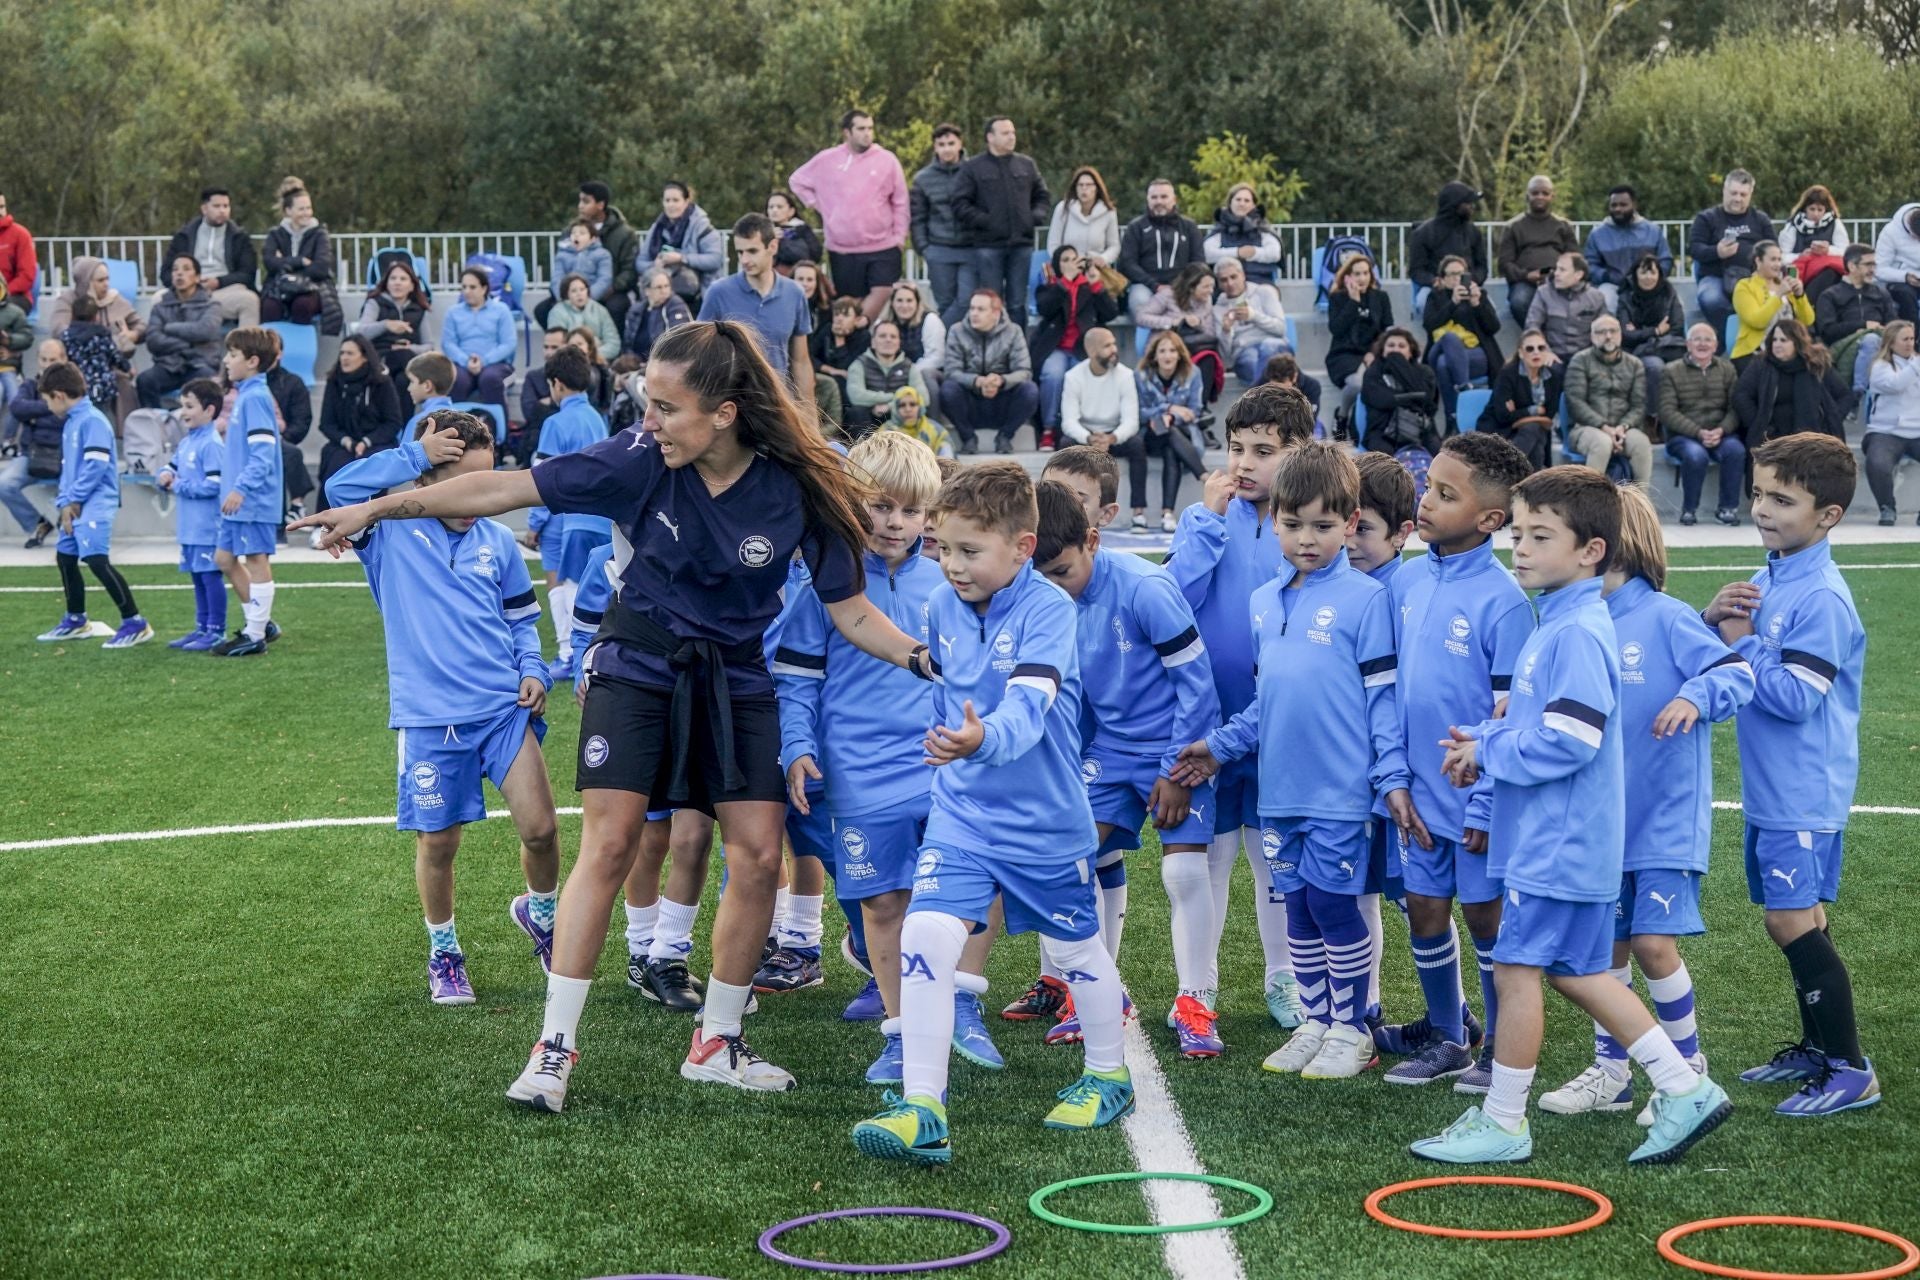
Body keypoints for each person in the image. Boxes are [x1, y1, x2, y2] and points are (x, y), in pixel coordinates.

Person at [295, 320, 936, 1106]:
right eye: (647, 404)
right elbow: (506, 487)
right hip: (637, 663)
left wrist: (924, 659)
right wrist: (384, 508)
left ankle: (718, 1042)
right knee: (608, 845)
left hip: (734, 674)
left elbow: (853, 611)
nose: (649, 422)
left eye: (666, 407)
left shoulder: (801, 485)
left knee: (761, 855)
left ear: (727, 412)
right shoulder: (638, 459)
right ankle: (553, 1050)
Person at [1411, 466, 1733, 1166]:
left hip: (1558, 842)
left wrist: (1490, 748)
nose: (1520, 548)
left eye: (1540, 536)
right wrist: (1492, 735)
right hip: (1568, 840)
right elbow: (1553, 722)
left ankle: (1502, 1121)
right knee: (1576, 973)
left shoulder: (1576, 632)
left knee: (1518, 969)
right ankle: (1684, 1085)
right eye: (1518, 533)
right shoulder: (1562, 622)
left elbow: (1570, 740)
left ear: (1592, 551)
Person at [851, 461, 1133, 1164]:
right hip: (963, 817)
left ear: (1023, 546)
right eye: (943, 548)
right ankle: (924, 1108)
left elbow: (1028, 710)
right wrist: (949, 735)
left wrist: (981, 737)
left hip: (1043, 825)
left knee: (1075, 951)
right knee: (924, 933)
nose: (950, 565)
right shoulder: (943, 608)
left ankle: (1109, 1073)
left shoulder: (1049, 611)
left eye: (968, 550)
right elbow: (952, 693)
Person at [1173, 441, 1415, 1079]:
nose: (1307, 539)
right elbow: (1266, 702)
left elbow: (1383, 701)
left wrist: (1390, 777)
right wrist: (1218, 747)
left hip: (1339, 792)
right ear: (1272, 519)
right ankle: (1314, 1020)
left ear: (1349, 521)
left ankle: (1351, 1028)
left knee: (1336, 907)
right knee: (1300, 909)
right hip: (1279, 792)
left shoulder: (1367, 600)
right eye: (1292, 524)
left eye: (1325, 525)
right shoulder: (1265, 602)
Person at [325, 410, 561, 1005]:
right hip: (430, 720)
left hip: (503, 711)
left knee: (540, 830)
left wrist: (531, 669)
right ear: (426, 479)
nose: (473, 497)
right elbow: (339, 489)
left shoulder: (498, 543)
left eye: (484, 483)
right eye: (456, 480)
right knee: (440, 844)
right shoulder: (388, 532)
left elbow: (521, 622)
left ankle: (544, 917)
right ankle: (445, 951)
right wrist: (414, 454)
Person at [1538, 487, 1753, 1121]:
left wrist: (1694, 695)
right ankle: (1612, 1074)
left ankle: (1685, 1072)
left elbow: (1735, 673)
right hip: (1600, 827)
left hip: (1662, 821)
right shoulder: (1573, 622)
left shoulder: (1664, 616)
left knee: (1655, 945)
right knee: (1604, 953)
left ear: (1604, 543)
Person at [1705, 433, 1878, 1116]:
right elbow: (1740, 651)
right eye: (1758, 494)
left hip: (1805, 787)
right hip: (1774, 784)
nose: (1763, 509)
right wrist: (1715, 617)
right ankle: (1819, 1046)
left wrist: (1739, 643)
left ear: (1828, 515)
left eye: (1783, 498)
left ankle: (1850, 1067)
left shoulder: (1823, 599)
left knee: (1788, 921)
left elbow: (1792, 697)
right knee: (1802, 914)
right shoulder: (1776, 569)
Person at [773, 432, 949, 1082]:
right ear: (852, 503)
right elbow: (796, 679)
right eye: (880, 506)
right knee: (882, 906)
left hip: (941, 772)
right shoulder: (827, 584)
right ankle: (902, 1033)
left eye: (909, 510)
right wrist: (798, 746)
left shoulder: (950, 583)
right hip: (859, 776)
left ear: (928, 514)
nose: (895, 522)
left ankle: (954, 1005)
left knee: (944, 905)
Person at [1032, 480, 1223, 1057]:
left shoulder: (1146, 587)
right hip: (1110, 752)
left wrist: (1175, 768)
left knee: (1184, 874)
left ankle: (1196, 1000)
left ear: (1092, 540)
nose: (1053, 587)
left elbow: (1197, 687)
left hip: (1179, 746)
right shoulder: (1047, 599)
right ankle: (1095, 994)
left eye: (1063, 571)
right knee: (1066, 861)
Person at [1368, 433, 1531, 1087]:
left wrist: (1488, 800)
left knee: (1485, 918)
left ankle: (1498, 1048)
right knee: (1426, 909)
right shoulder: (1404, 581)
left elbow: (1509, 718)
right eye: (1426, 486)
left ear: (1491, 519)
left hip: (1474, 798)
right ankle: (1447, 1037)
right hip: (1415, 793)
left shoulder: (1505, 602)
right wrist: (1393, 779)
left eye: (1444, 493)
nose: (1424, 501)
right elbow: (1384, 694)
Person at [1164, 385, 1317, 1032]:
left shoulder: (1303, 528)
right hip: (1206, 723)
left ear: (1299, 453)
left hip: (1279, 725)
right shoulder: (1209, 518)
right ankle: (1196, 988)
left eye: (1264, 450)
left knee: (1273, 858)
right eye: (1236, 448)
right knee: (1206, 859)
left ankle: (1284, 979)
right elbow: (1170, 600)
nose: (1245, 462)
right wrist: (1201, 523)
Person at [32, 361, 150, 648]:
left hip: (95, 502)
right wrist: (64, 503)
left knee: (96, 560)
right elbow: (69, 470)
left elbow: (95, 467)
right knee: (65, 557)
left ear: (59, 395)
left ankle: (135, 622)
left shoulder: (93, 421)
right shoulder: (73, 421)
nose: (48, 407)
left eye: (47, 400)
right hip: (74, 504)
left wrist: (73, 500)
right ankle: (76, 619)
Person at [530, 345, 614, 679]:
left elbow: (542, 477)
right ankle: (593, 650)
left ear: (557, 384)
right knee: (594, 583)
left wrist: (535, 522)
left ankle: (569, 654)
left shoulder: (555, 422)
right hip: (602, 515)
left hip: (568, 517)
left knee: (563, 582)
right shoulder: (597, 417)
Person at [789, 109, 910, 323]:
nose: (867, 133)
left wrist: (900, 237)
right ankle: (853, 342)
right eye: (861, 128)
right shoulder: (827, 159)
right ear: (847, 132)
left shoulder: (887, 160)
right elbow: (797, 180)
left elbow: (900, 201)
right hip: (842, 246)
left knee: (883, 290)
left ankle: (859, 326)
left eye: (870, 128)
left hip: (883, 244)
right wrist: (820, 206)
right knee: (848, 300)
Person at [211, 328, 285, 658]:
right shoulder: (246, 394)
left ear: (252, 361)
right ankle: (260, 620)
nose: (226, 361)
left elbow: (263, 453)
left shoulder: (255, 398)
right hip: (238, 499)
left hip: (253, 499)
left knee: (256, 559)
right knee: (224, 559)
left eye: (233, 355)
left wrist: (241, 488)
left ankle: (255, 634)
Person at [698, 214, 814, 398]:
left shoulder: (795, 293)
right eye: (740, 252)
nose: (744, 260)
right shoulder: (718, 292)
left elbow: (801, 361)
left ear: (772, 247)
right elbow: (701, 354)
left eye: (752, 251)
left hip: (778, 403)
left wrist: (809, 417)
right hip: (732, 403)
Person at [951, 116, 1050, 330]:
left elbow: (1042, 195)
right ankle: (992, 350)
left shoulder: (1026, 164)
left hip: (1021, 246)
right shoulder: (973, 168)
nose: (1012, 137)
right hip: (988, 246)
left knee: (1017, 304)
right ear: (990, 137)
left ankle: (1018, 353)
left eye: (1013, 132)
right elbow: (959, 203)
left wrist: (1032, 218)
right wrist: (986, 221)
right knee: (990, 303)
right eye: (1005, 133)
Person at [153, 379, 228, 648]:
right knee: (197, 576)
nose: (183, 412)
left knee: (209, 575)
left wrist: (179, 485)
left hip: (206, 526)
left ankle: (217, 630)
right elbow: (172, 468)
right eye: (182, 405)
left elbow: (215, 485)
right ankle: (201, 627)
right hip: (189, 526)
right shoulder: (187, 443)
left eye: (189, 406)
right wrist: (164, 473)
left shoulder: (211, 444)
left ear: (209, 410)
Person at [1657, 323, 1745, 527]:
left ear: (1715, 346)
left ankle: (1727, 509)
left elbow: (1736, 407)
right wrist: (1698, 433)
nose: (1702, 343)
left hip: (1721, 433)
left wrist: (1722, 430)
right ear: (1688, 344)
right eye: (1697, 339)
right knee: (1696, 455)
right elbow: (1667, 412)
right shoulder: (1671, 371)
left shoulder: (1727, 369)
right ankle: (1689, 510)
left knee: (1736, 450)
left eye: (1708, 339)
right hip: (1684, 436)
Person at [1031, 245, 1119, 445]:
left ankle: (1084, 429)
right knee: (1053, 375)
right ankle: (1048, 429)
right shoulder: (1051, 285)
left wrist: (1097, 286)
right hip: (1057, 348)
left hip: (1083, 349)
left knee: (1088, 375)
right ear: (1058, 265)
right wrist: (1064, 284)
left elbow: (1110, 313)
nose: (1071, 264)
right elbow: (1044, 308)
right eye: (1065, 260)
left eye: (1074, 259)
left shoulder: (1089, 285)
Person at [937, 289, 1038, 454]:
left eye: (981, 309)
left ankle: (1005, 436)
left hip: (1002, 399)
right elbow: (951, 371)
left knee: (1030, 390)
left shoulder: (1013, 331)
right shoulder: (957, 330)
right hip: (970, 400)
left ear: (996, 312)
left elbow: (1024, 371)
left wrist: (1002, 380)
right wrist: (976, 381)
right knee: (948, 389)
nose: (974, 313)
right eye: (972, 308)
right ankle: (968, 438)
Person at [316, 334, 405, 519]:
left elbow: (393, 422)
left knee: (374, 463)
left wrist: (367, 440)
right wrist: (346, 441)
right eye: (341, 353)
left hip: (376, 441)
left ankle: (370, 519)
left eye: (350, 353)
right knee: (335, 463)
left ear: (364, 356)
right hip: (345, 442)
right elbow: (326, 423)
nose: (344, 358)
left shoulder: (381, 382)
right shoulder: (334, 382)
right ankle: (327, 520)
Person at [1127, 329, 1206, 531]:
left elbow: (1195, 411)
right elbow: (1138, 411)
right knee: (1167, 434)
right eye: (1162, 351)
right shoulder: (1141, 375)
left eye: (1172, 350)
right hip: (1150, 433)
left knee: (1171, 443)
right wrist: (1167, 409)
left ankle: (1167, 513)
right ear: (1154, 355)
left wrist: (1172, 416)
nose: (1167, 355)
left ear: (1179, 354)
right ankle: (1202, 475)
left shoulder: (1193, 373)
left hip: (1182, 433)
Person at [1734, 319, 1852, 445]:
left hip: (1813, 440)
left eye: (1783, 340)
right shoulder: (1761, 364)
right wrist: (1758, 424)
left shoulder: (1816, 364)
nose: (1777, 344)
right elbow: (1741, 395)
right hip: (1772, 439)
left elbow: (1845, 396)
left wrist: (1830, 421)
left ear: (1797, 342)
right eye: (1774, 340)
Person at [1566, 315, 1652, 487]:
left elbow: (1638, 406)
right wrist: (1605, 427)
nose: (1608, 336)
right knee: (1602, 443)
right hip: (1586, 428)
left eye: (1613, 331)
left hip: (1624, 429)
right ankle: (1590, 506)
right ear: (1592, 337)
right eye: (1601, 332)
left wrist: (1623, 427)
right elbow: (1576, 403)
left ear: (1620, 334)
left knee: (1642, 443)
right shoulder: (1580, 361)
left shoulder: (1635, 364)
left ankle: (1640, 507)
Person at [1689, 168, 1776, 335]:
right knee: (1710, 299)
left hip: (1754, 277)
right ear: (1724, 191)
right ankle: (1732, 333)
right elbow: (1695, 249)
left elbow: (1774, 250)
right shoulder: (1706, 218)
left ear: (1750, 194)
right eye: (1733, 193)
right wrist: (1717, 252)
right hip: (1715, 276)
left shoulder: (1760, 219)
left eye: (1743, 195)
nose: (1737, 199)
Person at [1422, 254, 1503, 427]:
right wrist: (1452, 303)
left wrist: (1477, 303)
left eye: (1461, 274)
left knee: (1444, 364)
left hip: (1476, 354)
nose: (1457, 278)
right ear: (1442, 279)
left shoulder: (1480, 295)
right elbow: (1429, 325)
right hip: (1440, 349)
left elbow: (1493, 327)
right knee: (1449, 339)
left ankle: (1453, 418)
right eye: (1452, 274)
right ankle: (1464, 388)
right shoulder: (1435, 297)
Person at [136, 255, 222, 409]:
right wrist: (188, 343)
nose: (179, 273)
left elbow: (204, 331)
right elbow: (153, 340)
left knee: (207, 382)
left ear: (197, 278)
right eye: (175, 269)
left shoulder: (211, 305)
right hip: (169, 365)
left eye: (186, 269)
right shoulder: (160, 307)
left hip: (200, 363)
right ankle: (154, 424)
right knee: (145, 380)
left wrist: (169, 328)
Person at [3, 338, 66, 547]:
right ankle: (36, 524)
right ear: (38, 360)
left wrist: (35, 413)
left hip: (65, 455)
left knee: (81, 482)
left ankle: (71, 529)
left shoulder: (71, 387)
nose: (48, 364)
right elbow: (17, 408)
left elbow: (69, 416)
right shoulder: (30, 385)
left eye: (53, 359)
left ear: (64, 359)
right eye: (44, 359)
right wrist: (50, 407)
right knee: (4, 485)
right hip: (32, 453)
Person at [169, 187, 260, 328]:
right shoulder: (184, 236)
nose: (222, 211)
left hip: (225, 291)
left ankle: (245, 349)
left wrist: (218, 282)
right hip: (188, 292)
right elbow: (166, 272)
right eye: (217, 206)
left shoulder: (239, 237)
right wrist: (190, 283)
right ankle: (170, 348)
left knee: (250, 300)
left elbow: (247, 274)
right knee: (158, 299)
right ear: (204, 209)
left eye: (226, 206)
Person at [908, 125, 972, 323]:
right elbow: (917, 217)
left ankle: (939, 336)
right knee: (944, 303)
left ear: (960, 144)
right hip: (939, 248)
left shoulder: (975, 172)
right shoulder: (923, 179)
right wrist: (924, 249)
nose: (947, 149)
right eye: (941, 145)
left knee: (967, 302)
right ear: (935, 147)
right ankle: (948, 350)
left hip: (971, 247)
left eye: (951, 143)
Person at [1118, 180, 1205, 326]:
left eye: (1164, 197)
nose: (1159, 201)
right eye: (1154, 197)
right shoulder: (1136, 227)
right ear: (1148, 200)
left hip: (1181, 285)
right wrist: (1155, 285)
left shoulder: (1189, 227)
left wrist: (1181, 285)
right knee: (1140, 302)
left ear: (1174, 199)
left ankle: (1179, 345)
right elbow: (1128, 263)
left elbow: (1198, 261)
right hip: (1145, 285)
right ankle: (1147, 347)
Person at [1497, 175, 1578, 326]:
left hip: (1558, 279)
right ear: (1527, 195)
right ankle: (1535, 336)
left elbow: (1575, 259)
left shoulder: (1563, 225)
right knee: (1519, 301)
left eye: (1545, 193)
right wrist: (1527, 275)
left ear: (1552, 196)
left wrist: (1558, 274)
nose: (1540, 197)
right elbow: (1504, 264)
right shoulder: (1513, 226)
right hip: (1524, 281)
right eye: (1535, 193)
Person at [1813, 245, 1895, 393]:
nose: (1872, 269)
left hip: (1880, 346)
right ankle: (1860, 391)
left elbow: (1893, 325)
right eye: (1868, 264)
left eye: (1874, 264)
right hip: (1842, 346)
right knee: (1870, 340)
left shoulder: (1881, 293)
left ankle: (1858, 392)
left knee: (1874, 340)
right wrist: (1863, 326)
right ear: (1851, 266)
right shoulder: (1830, 295)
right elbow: (1828, 331)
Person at [1327, 253, 1394, 429]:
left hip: (1374, 352)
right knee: (1357, 384)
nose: (1362, 278)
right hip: (1344, 353)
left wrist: (1374, 352)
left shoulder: (1381, 297)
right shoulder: (1338, 298)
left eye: (1366, 273)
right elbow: (1336, 329)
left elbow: (1387, 329)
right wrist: (1353, 302)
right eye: (1357, 274)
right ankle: (1342, 416)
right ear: (1348, 276)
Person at [1138, 263, 1224, 400]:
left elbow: (1209, 332)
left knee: (1209, 358)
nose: (1210, 291)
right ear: (1191, 287)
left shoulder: (1206, 301)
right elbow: (1142, 317)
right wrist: (1174, 322)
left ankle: (1201, 405)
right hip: (1166, 344)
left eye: (1212, 286)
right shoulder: (1167, 295)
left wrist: (1198, 323)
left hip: (1192, 347)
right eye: (1206, 287)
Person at [1861, 321, 1918, 524]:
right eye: (1905, 339)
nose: (1910, 343)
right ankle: (1887, 507)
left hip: (1917, 430)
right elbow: (1895, 385)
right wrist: (1916, 365)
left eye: (1912, 339)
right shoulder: (1880, 366)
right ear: (1891, 343)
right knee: (1877, 462)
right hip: (1886, 431)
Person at [260, 178, 335, 329]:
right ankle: (270, 349)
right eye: (301, 209)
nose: (306, 213)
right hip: (279, 286)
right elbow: (269, 262)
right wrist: (299, 261)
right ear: (288, 211)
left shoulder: (320, 234)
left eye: (308, 208)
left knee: (302, 305)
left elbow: (321, 268)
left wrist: (285, 263)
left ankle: (301, 349)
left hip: (312, 287)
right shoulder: (276, 234)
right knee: (270, 306)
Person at [1619, 252, 1686, 419]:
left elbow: (1676, 326)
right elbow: (1626, 334)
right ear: (1635, 274)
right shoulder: (1626, 297)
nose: (1648, 277)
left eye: (1652, 272)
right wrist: (1655, 331)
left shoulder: (1669, 293)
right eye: (1643, 272)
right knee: (1655, 367)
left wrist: (1640, 332)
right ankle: (1653, 418)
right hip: (1636, 351)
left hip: (1667, 346)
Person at [1583, 185, 1671, 312]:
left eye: (1623, 205)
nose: (1618, 209)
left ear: (1634, 205)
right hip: (1612, 285)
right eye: (1614, 205)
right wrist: (1607, 276)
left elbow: (1666, 260)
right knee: (1605, 300)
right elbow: (1590, 265)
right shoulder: (1597, 234)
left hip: (1649, 284)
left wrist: (1650, 277)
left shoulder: (1653, 231)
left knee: (1673, 303)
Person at [1484, 329, 1561, 472]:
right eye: (1530, 348)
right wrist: (1534, 411)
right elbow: (1503, 415)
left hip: (1531, 434)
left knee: (1535, 430)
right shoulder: (1507, 374)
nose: (1536, 352)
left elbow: (1548, 416)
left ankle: (1510, 472)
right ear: (1521, 353)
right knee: (1534, 429)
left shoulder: (1553, 377)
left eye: (1541, 348)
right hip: (1501, 430)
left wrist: (1518, 413)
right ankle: (1521, 475)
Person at [440, 266, 515, 410]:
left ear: (484, 288)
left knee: (490, 379)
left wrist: (484, 360)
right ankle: (454, 429)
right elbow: (448, 343)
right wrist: (466, 361)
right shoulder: (453, 312)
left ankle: (498, 429)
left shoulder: (501, 310)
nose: (467, 291)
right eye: (464, 287)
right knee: (457, 380)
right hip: (462, 364)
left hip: (495, 364)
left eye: (472, 287)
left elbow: (509, 343)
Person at [639, 181, 725, 305]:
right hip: (660, 287)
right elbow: (640, 262)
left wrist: (682, 258)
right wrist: (655, 265)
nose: (671, 205)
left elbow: (715, 259)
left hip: (697, 291)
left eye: (675, 200)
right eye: (667, 200)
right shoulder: (656, 228)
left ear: (686, 201)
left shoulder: (702, 226)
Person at [1730, 241, 1813, 364]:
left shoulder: (1785, 286)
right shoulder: (1744, 286)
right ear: (1758, 261)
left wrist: (1800, 295)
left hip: (1789, 351)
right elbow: (1757, 321)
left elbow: (1808, 320)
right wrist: (1778, 295)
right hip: (1755, 353)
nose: (1778, 264)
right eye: (1773, 260)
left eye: (1779, 260)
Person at [1360, 328, 1440, 455]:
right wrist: (1413, 398)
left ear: (1410, 352)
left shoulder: (1425, 372)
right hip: (1383, 431)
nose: (1396, 350)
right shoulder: (1373, 373)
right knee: (1384, 462)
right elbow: (1382, 400)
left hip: (1421, 429)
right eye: (1391, 346)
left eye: (1401, 346)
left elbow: (1428, 400)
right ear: (1383, 351)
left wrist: (1399, 365)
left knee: (1438, 456)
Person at [1213, 257, 1291, 386]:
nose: (1230, 283)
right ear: (1219, 284)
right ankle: (1272, 397)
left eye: (1233, 277)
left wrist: (1254, 316)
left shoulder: (1264, 293)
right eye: (1224, 280)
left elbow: (1281, 329)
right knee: (1251, 361)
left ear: (1243, 275)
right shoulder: (1218, 309)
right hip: (1244, 350)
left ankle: (1265, 398)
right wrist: (1226, 331)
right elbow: (1226, 358)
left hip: (1272, 342)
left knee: (1269, 348)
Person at [1409, 182, 1486, 309]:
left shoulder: (1473, 232)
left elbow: (1482, 266)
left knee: (1490, 308)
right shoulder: (1422, 233)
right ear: (1454, 206)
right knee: (1423, 302)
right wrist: (1435, 281)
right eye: (1468, 203)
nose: (1472, 207)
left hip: (1468, 288)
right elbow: (1416, 270)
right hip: (1434, 289)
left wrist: (1473, 280)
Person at [845, 317, 929, 435]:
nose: (888, 340)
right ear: (873, 342)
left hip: (898, 418)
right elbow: (856, 396)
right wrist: (895, 397)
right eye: (882, 336)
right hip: (869, 419)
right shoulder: (859, 364)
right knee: (856, 412)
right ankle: (864, 451)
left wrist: (890, 406)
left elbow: (924, 398)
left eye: (893, 336)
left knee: (912, 409)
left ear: (899, 342)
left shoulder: (909, 366)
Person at [356, 259, 431, 387]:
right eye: (393, 278)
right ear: (387, 284)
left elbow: (429, 346)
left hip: (408, 360)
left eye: (403, 279)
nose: (397, 283)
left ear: (412, 286)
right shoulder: (375, 303)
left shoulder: (419, 310)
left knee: (403, 379)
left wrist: (409, 348)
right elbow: (360, 333)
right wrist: (386, 325)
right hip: (381, 358)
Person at [1525, 251, 1607, 362]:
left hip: (1586, 358)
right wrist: (1545, 351)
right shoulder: (1543, 293)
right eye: (1557, 269)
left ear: (1578, 275)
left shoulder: (1596, 297)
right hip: (1552, 355)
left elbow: (1604, 331)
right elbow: (1532, 326)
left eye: (1562, 270)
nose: (1556, 274)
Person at [58, 296, 130, 421]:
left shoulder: (66, 336)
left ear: (73, 315)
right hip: (102, 386)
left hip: (76, 386)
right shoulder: (102, 334)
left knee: (77, 417)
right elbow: (115, 356)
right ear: (96, 316)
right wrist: (126, 367)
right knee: (103, 416)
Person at [1047, 166, 1122, 280]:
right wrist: (1064, 262)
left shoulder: (1109, 212)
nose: (1084, 188)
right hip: (1067, 272)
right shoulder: (1063, 209)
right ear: (1075, 188)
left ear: (1096, 188)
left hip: (1096, 270)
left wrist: (1104, 258)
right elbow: (1053, 244)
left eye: (1088, 185)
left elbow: (1114, 246)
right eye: (1080, 185)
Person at [1778, 185, 1851, 301]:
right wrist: (1801, 255)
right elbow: (1781, 256)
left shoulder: (1835, 224)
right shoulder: (1792, 226)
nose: (1816, 214)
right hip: (1797, 267)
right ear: (1805, 208)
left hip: (1825, 267)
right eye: (1812, 209)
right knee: (1791, 279)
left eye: (1820, 210)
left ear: (1825, 210)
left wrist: (1828, 251)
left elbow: (1845, 251)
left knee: (1830, 274)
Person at [1204, 183, 1282, 287]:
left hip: (1260, 282)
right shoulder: (1220, 228)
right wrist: (1237, 253)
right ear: (1230, 203)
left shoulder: (1262, 227)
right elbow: (1207, 254)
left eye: (1246, 200)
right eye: (1238, 200)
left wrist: (1253, 252)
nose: (1242, 204)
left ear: (1253, 205)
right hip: (1226, 286)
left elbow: (1275, 253)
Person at [543, 219, 613, 329]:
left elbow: (604, 279)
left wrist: (587, 296)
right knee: (541, 310)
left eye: (582, 233)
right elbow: (556, 278)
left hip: (592, 297)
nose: (576, 236)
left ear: (592, 239)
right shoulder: (562, 255)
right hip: (567, 297)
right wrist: (563, 297)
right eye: (573, 233)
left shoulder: (602, 255)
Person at [882, 281, 947, 398]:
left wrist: (908, 372)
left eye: (909, 300)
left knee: (926, 376)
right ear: (892, 303)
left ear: (917, 302)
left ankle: (933, 416)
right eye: (899, 300)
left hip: (925, 372)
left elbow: (937, 358)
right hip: (892, 373)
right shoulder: (883, 323)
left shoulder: (930, 320)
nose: (904, 306)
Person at [624, 268, 693, 363]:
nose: (664, 291)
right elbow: (628, 343)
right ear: (647, 291)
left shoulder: (676, 305)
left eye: (667, 286)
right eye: (659, 287)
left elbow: (678, 342)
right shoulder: (636, 310)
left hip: (665, 362)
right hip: (638, 362)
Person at [545, 273, 620, 359]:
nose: (579, 294)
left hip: (598, 360)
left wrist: (592, 355)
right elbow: (557, 344)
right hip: (568, 362)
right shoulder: (557, 312)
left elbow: (613, 343)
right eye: (574, 291)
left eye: (582, 289)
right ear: (566, 294)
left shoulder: (600, 310)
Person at [1873, 202, 1920, 324]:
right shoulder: (1890, 233)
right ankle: (1913, 337)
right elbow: (1879, 268)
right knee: (1906, 296)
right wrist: (1905, 276)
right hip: (1900, 281)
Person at [766, 190, 823, 278]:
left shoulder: (802, 229)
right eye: (771, 207)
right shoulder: (762, 231)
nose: (774, 210)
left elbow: (813, 255)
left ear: (791, 211)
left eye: (779, 207)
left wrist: (781, 241)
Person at [0, 191, 36, 311]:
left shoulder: (21, 234)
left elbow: (27, 276)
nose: (0, 212)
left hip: (17, 297)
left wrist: (3, 293)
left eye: (2, 207)